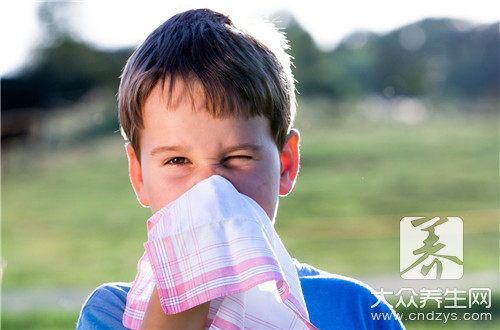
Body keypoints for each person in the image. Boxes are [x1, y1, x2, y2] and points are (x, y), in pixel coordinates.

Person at [77, 8, 404, 329]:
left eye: (237, 158)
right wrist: (188, 279)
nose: (210, 190)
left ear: (285, 165)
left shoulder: (356, 310)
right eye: (177, 161)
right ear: (139, 176)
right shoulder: (112, 314)